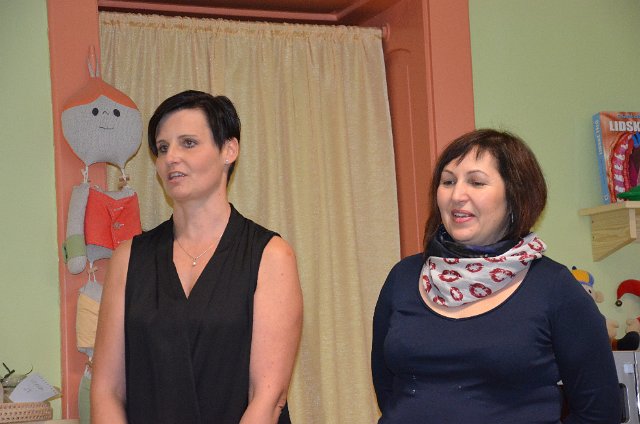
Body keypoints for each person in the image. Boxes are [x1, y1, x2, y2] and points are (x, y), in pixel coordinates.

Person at [371, 129, 620, 423]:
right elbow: (388, 390)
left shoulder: (554, 287)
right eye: (448, 181)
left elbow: (599, 412)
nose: (456, 195)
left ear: (515, 195)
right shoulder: (404, 276)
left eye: (476, 182)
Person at [91, 90, 303, 424]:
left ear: (229, 150)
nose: (171, 157)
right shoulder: (128, 258)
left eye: (188, 143)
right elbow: (107, 390)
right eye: (162, 148)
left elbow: (269, 395)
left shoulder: (270, 255)